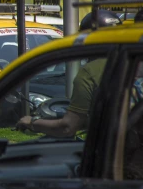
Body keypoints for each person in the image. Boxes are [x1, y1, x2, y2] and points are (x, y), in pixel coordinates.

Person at [17, 8, 133, 137]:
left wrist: (32, 122)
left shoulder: (89, 72)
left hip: (110, 150)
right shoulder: (135, 61)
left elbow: (68, 128)